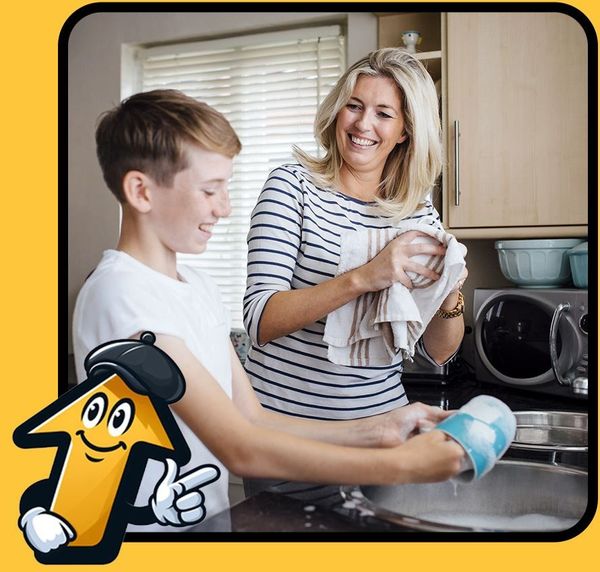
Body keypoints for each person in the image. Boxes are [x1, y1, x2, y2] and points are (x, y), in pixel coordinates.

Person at [72, 89, 464, 533]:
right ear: (141, 191)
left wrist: (382, 429)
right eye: (209, 189)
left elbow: (252, 418)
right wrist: (403, 468)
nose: (225, 207)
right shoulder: (121, 294)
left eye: (226, 187)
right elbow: (241, 448)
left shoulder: (195, 287)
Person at [243, 48, 468, 421]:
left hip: (382, 429)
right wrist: (364, 278)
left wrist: (450, 292)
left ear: (405, 131)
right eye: (354, 106)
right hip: (286, 434)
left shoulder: (418, 213)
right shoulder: (292, 187)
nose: (363, 124)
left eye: (383, 114)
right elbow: (259, 320)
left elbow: (437, 353)